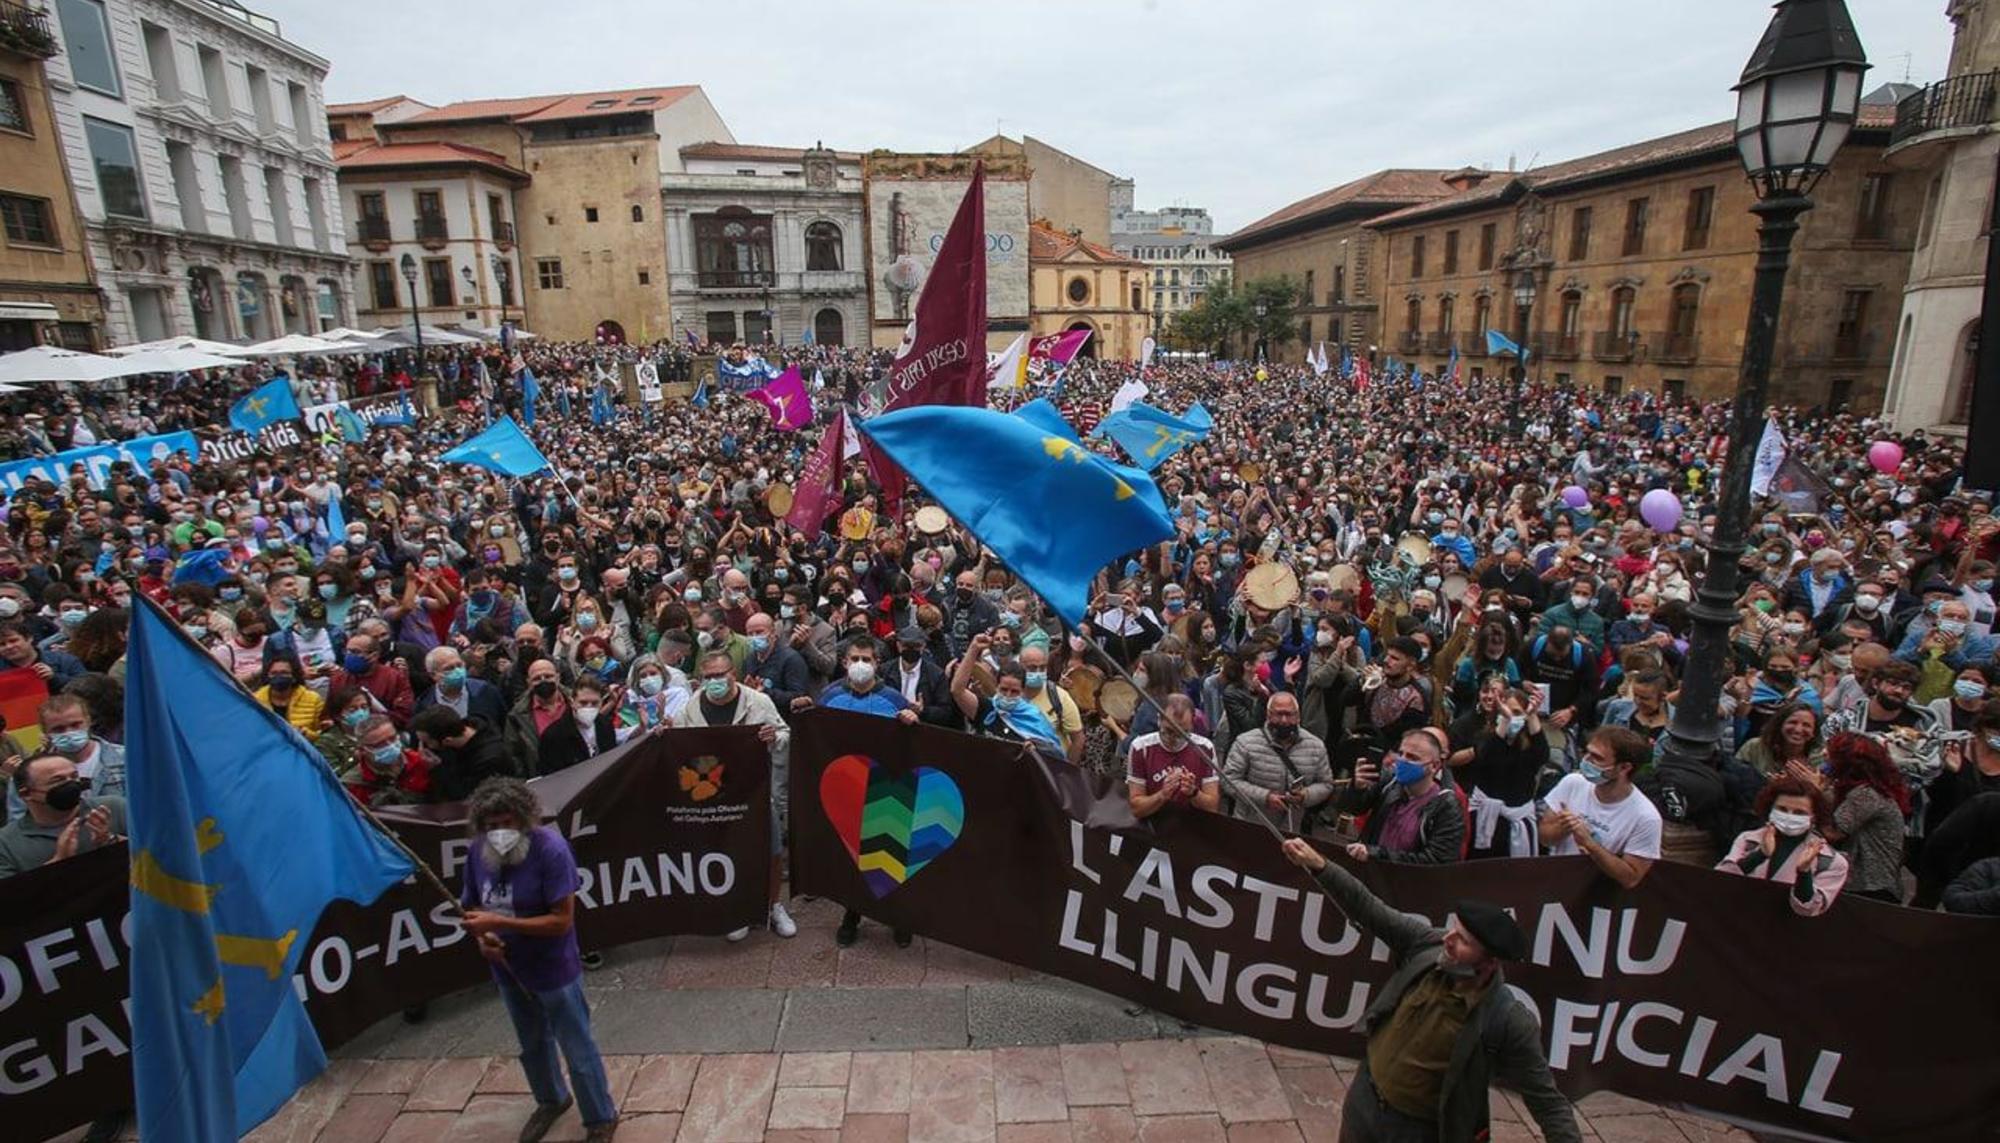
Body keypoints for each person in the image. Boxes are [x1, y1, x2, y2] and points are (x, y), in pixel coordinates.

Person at [1277, 837, 1582, 1143]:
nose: (1448, 940)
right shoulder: (1428, 945)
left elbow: (1547, 1100)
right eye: (1453, 929)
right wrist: (1319, 865)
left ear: (1488, 964)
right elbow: (1369, 908)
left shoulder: (1508, 1021)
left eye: (1462, 941)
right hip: (1365, 1104)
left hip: (1418, 1131)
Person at [458, 777, 618, 1143]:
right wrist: (484, 938)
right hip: (508, 968)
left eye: (507, 823)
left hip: (554, 968)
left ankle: (600, 1118)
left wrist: (498, 922)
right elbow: (471, 907)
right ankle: (551, 1099)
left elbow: (562, 921)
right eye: (491, 826)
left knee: (577, 1047)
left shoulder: (551, 850)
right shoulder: (477, 852)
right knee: (531, 1043)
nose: (499, 832)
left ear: (524, 819)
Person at [674, 651, 796, 941]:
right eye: (709, 676)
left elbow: (785, 733)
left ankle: (773, 905)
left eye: (721, 674)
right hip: (714, 795)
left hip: (756, 790)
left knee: (773, 849)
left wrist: (774, 738)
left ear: (734, 674)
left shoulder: (759, 702)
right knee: (728, 851)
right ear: (701, 679)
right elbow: (678, 746)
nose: (716, 681)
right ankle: (739, 908)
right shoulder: (690, 709)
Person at [1538, 727, 1661, 888]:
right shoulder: (1573, 782)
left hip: (1599, 897)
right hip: (1557, 884)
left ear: (1624, 768)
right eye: (1587, 753)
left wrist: (1591, 845)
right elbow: (1544, 839)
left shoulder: (1646, 817)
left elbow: (1631, 878)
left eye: (1597, 758)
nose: (1586, 761)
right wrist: (1564, 827)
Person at [1715, 773, 1850, 916]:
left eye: (1799, 812)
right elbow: (1719, 882)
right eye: (1782, 809)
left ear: (1814, 816)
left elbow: (1809, 909)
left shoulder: (1831, 862)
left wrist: (1804, 872)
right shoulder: (1748, 840)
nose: (1789, 816)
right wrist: (1760, 855)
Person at [1336, 727, 1466, 864]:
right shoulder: (1389, 782)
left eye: (1412, 757)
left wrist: (1378, 854)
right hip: (1369, 872)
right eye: (1401, 754)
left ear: (1434, 766)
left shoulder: (1446, 805)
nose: (1403, 761)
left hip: (1407, 881)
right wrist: (1357, 788)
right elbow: (1351, 809)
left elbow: (1437, 861)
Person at [1812, 731, 1912, 904]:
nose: (1824, 755)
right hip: (1863, 887)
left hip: (1869, 889)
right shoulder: (1861, 793)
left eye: (1832, 753)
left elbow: (1833, 832)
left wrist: (1814, 794)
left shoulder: (1867, 795)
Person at [1452, 689, 1548, 860]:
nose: (1512, 716)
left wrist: (1532, 715)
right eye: (1507, 711)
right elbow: (1487, 756)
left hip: (1518, 817)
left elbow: (1542, 754)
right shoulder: (1484, 737)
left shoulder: (1529, 745)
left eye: (1517, 712)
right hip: (1485, 818)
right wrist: (1505, 720)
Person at [1220, 691, 1333, 833]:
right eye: (1279, 714)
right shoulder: (1245, 742)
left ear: (1298, 716)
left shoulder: (1316, 746)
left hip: (1293, 831)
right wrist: (1265, 797)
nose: (1284, 720)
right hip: (1249, 827)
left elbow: (1326, 784)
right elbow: (1228, 781)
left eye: (1289, 714)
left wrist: (1305, 795)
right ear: (1268, 715)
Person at [0, 751, 125, 877]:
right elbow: (13, 895)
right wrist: (59, 861)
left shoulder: (113, 808)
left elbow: (144, 854)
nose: (71, 784)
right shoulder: (6, 843)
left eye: (74, 776)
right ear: (26, 794)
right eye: (58, 781)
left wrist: (111, 841)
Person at [1125, 693, 1221, 819]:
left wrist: (1194, 792)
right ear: (1159, 720)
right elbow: (1136, 809)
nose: (1175, 739)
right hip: (1153, 827)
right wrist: (1162, 795)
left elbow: (1212, 807)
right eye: (1169, 731)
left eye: (1183, 732)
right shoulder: (1141, 747)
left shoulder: (1204, 748)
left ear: (1192, 723)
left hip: (1191, 827)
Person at [410, 706, 517, 801]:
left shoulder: (490, 760)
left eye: (427, 743)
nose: (424, 747)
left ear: (447, 741)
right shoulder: (453, 736)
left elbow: (465, 796)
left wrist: (436, 769)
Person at [419, 645, 508, 724]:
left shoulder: (486, 691)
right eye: (449, 669)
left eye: (459, 665)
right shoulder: (425, 704)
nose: (457, 671)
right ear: (433, 675)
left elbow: (503, 723)